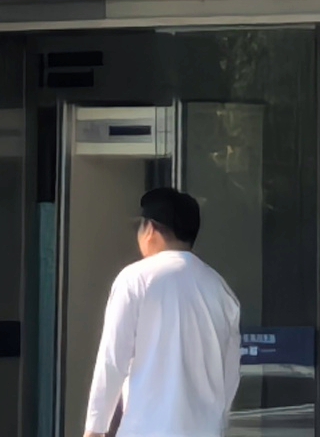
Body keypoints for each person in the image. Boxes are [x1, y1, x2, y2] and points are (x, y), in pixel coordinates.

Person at [86, 184, 246, 437]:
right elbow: (230, 372)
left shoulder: (136, 279)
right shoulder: (220, 289)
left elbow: (112, 359)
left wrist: (95, 429)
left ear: (150, 230)